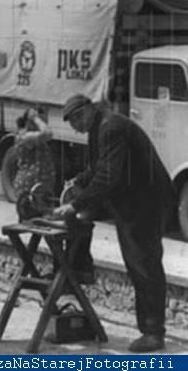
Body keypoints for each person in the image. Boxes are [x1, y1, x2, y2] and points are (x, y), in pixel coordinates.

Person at [53, 94, 173, 352]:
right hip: (135, 203)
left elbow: (108, 177)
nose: (74, 128)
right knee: (139, 264)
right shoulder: (101, 127)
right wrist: (79, 181)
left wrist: (75, 205)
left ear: (85, 112)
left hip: (144, 203)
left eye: (74, 121)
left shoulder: (111, 127)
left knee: (144, 265)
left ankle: (153, 332)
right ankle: (150, 329)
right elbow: (99, 168)